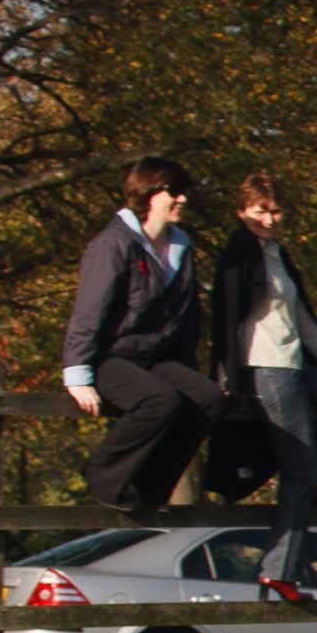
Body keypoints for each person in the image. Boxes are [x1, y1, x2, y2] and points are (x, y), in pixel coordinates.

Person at [207, 173, 317, 601]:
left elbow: (303, 321)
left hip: (294, 365)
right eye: (259, 211)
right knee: (299, 467)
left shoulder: (277, 254)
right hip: (265, 368)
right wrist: (227, 378)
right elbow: (226, 317)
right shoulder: (238, 255)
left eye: (275, 211)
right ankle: (278, 571)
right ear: (241, 211)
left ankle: (313, 478)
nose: (269, 219)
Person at [62, 157, 224, 511]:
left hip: (155, 358)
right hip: (110, 357)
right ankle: (102, 474)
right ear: (149, 193)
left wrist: (189, 372)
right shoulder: (114, 244)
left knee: (208, 398)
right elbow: (89, 310)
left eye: (185, 192)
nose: (183, 199)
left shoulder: (180, 247)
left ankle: (149, 490)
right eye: (174, 191)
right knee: (159, 400)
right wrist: (76, 372)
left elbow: (188, 317)